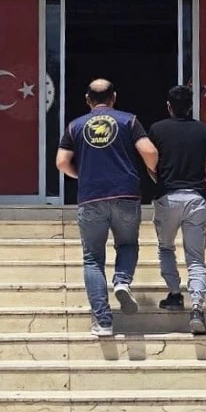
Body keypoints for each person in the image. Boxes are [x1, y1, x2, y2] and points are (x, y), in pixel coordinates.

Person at [56, 79, 159, 337]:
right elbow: (149, 151)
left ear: (87, 100)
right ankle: (122, 281)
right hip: (126, 194)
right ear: (114, 97)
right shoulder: (129, 121)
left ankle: (103, 322)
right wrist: (152, 171)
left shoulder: (75, 125)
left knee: (93, 259)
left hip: (91, 197)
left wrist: (81, 175)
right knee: (127, 245)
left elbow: (61, 161)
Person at [149, 85, 206, 335]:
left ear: (169, 106)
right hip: (196, 198)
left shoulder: (157, 129)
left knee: (166, 247)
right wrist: (202, 178)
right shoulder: (203, 130)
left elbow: (150, 159)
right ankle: (197, 308)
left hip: (167, 197)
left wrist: (156, 178)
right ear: (191, 106)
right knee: (196, 258)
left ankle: (175, 294)